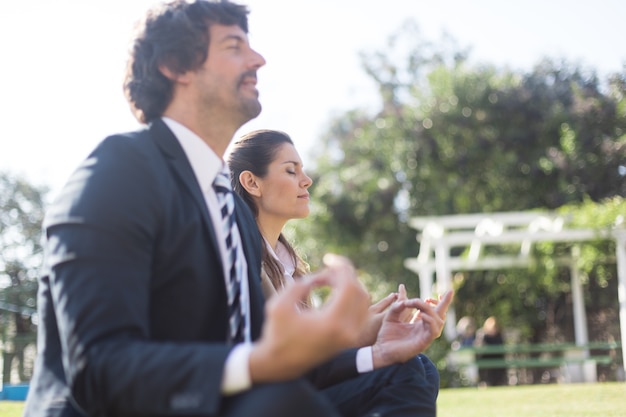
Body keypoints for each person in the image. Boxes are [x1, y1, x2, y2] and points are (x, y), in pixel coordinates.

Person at [23, 2, 452, 416]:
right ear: (175, 67)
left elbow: (259, 351)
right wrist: (260, 362)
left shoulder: (224, 205)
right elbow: (99, 369)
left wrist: (374, 352)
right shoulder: (118, 173)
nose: (259, 59)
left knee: (400, 372)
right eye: (234, 46)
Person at [227, 128, 445, 415]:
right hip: (271, 397)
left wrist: (371, 329)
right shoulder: (243, 256)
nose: (307, 180)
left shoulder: (289, 264)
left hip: (303, 383)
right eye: (291, 171)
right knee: (405, 372)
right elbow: (282, 357)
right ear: (252, 182)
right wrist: (356, 337)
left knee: (423, 368)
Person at [475, 316, 508, 386]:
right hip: (486, 362)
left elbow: (501, 349)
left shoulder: (499, 335)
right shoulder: (482, 335)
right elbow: (479, 350)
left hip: (498, 361)